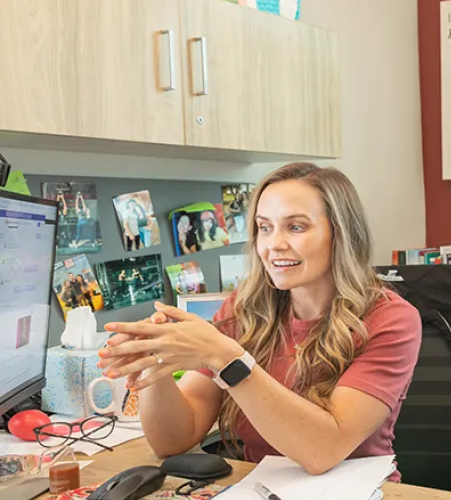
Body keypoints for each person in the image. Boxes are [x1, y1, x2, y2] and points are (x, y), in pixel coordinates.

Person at [97, 162, 423, 477]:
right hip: (260, 497)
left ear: (341, 235)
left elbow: (324, 451)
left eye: (296, 226)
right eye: (264, 227)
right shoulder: (244, 310)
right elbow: (173, 442)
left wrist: (228, 359)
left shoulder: (390, 320)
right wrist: (156, 363)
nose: (273, 245)